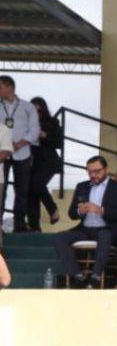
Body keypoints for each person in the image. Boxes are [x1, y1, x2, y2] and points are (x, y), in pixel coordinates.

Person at [52, 156, 117, 288]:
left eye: (97, 171)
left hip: (109, 230)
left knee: (104, 235)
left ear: (106, 169)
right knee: (59, 238)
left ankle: (95, 278)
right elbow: (72, 213)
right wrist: (80, 211)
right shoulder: (82, 186)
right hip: (85, 230)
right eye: (90, 172)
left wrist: (102, 210)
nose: (93, 175)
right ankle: (78, 276)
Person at [0, 75, 41, 233]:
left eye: (0, 87)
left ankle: (20, 225)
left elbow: (34, 129)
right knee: (1, 189)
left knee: (22, 190)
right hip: (2, 154)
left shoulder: (27, 107)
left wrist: (20, 143)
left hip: (22, 153)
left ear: (10, 87)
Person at [28, 96, 64, 232]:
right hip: (31, 161)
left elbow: (59, 143)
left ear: (43, 110)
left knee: (37, 183)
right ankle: (34, 227)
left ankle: (52, 208)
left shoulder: (52, 122)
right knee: (30, 191)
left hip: (48, 161)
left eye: (38, 111)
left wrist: (44, 135)